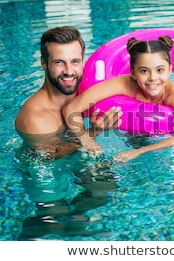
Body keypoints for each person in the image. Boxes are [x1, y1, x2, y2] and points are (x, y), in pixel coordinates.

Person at [14, 26, 120, 239]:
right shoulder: (35, 116)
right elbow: (49, 156)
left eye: (75, 61)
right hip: (41, 167)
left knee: (105, 191)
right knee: (55, 218)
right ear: (44, 64)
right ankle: (31, 233)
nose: (69, 72)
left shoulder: (82, 90)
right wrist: (95, 131)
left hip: (74, 151)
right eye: (59, 62)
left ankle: (77, 217)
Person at [62, 36, 174, 162]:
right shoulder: (124, 84)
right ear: (133, 73)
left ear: (170, 70)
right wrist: (86, 140)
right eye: (144, 71)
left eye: (160, 70)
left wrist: (141, 151)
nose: (153, 78)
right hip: (133, 133)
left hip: (164, 136)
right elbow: (71, 108)